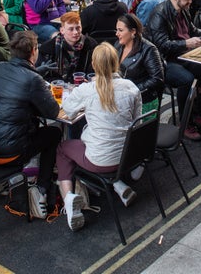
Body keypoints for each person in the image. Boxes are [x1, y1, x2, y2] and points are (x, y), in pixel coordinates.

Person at [55, 43, 142, 231]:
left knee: (63, 149)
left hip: (100, 160)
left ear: (94, 65)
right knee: (104, 143)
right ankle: (117, 183)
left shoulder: (87, 90)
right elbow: (137, 122)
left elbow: (68, 110)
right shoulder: (131, 87)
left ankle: (69, 198)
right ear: (116, 62)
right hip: (129, 157)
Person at [0, 30, 61, 220]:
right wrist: (39, 78)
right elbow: (53, 112)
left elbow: (16, 80)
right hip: (9, 153)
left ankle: (10, 181)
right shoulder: (33, 80)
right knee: (54, 133)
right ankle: (42, 188)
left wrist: (39, 72)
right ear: (33, 51)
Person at [146, 0, 201, 138]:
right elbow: (161, 45)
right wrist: (186, 43)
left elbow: (192, 30)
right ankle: (185, 123)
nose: (190, 2)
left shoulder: (182, 10)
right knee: (187, 79)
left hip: (184, 55)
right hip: (165, 61)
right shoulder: (160, 13)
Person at [115, 13, 165, 113]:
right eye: (117, 30)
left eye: (120, 30)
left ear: (133, 31)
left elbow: (157, 78)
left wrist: (133, 90)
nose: (117, 33)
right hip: (121, 98)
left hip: (143, 101)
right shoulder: (119, 45)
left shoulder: (149, 49)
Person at [38, 11, 98, 83]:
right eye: (71, 29)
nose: (75, 32)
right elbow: (44, 75)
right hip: (58, 87)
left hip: (83, 86)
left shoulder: (91, 45)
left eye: (78, 28)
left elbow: (94, 71)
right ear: (62, 30)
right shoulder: (47, 48)